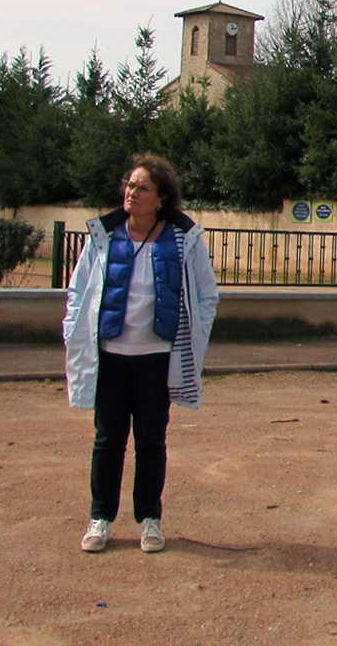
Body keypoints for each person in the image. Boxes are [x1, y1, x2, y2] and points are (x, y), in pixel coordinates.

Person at [62, 153, 220, 554]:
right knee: (107, 439)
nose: (132, 193)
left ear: (161, 198)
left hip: (155, 359)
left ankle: (149, 518)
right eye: (130, 185)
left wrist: (193, 338)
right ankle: (100, 517)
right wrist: (72, 332)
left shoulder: (185, 240)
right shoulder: (102, 238)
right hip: (111, 356)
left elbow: (206, 296)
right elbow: (79, 290)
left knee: (151, 441)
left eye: (142, 188)